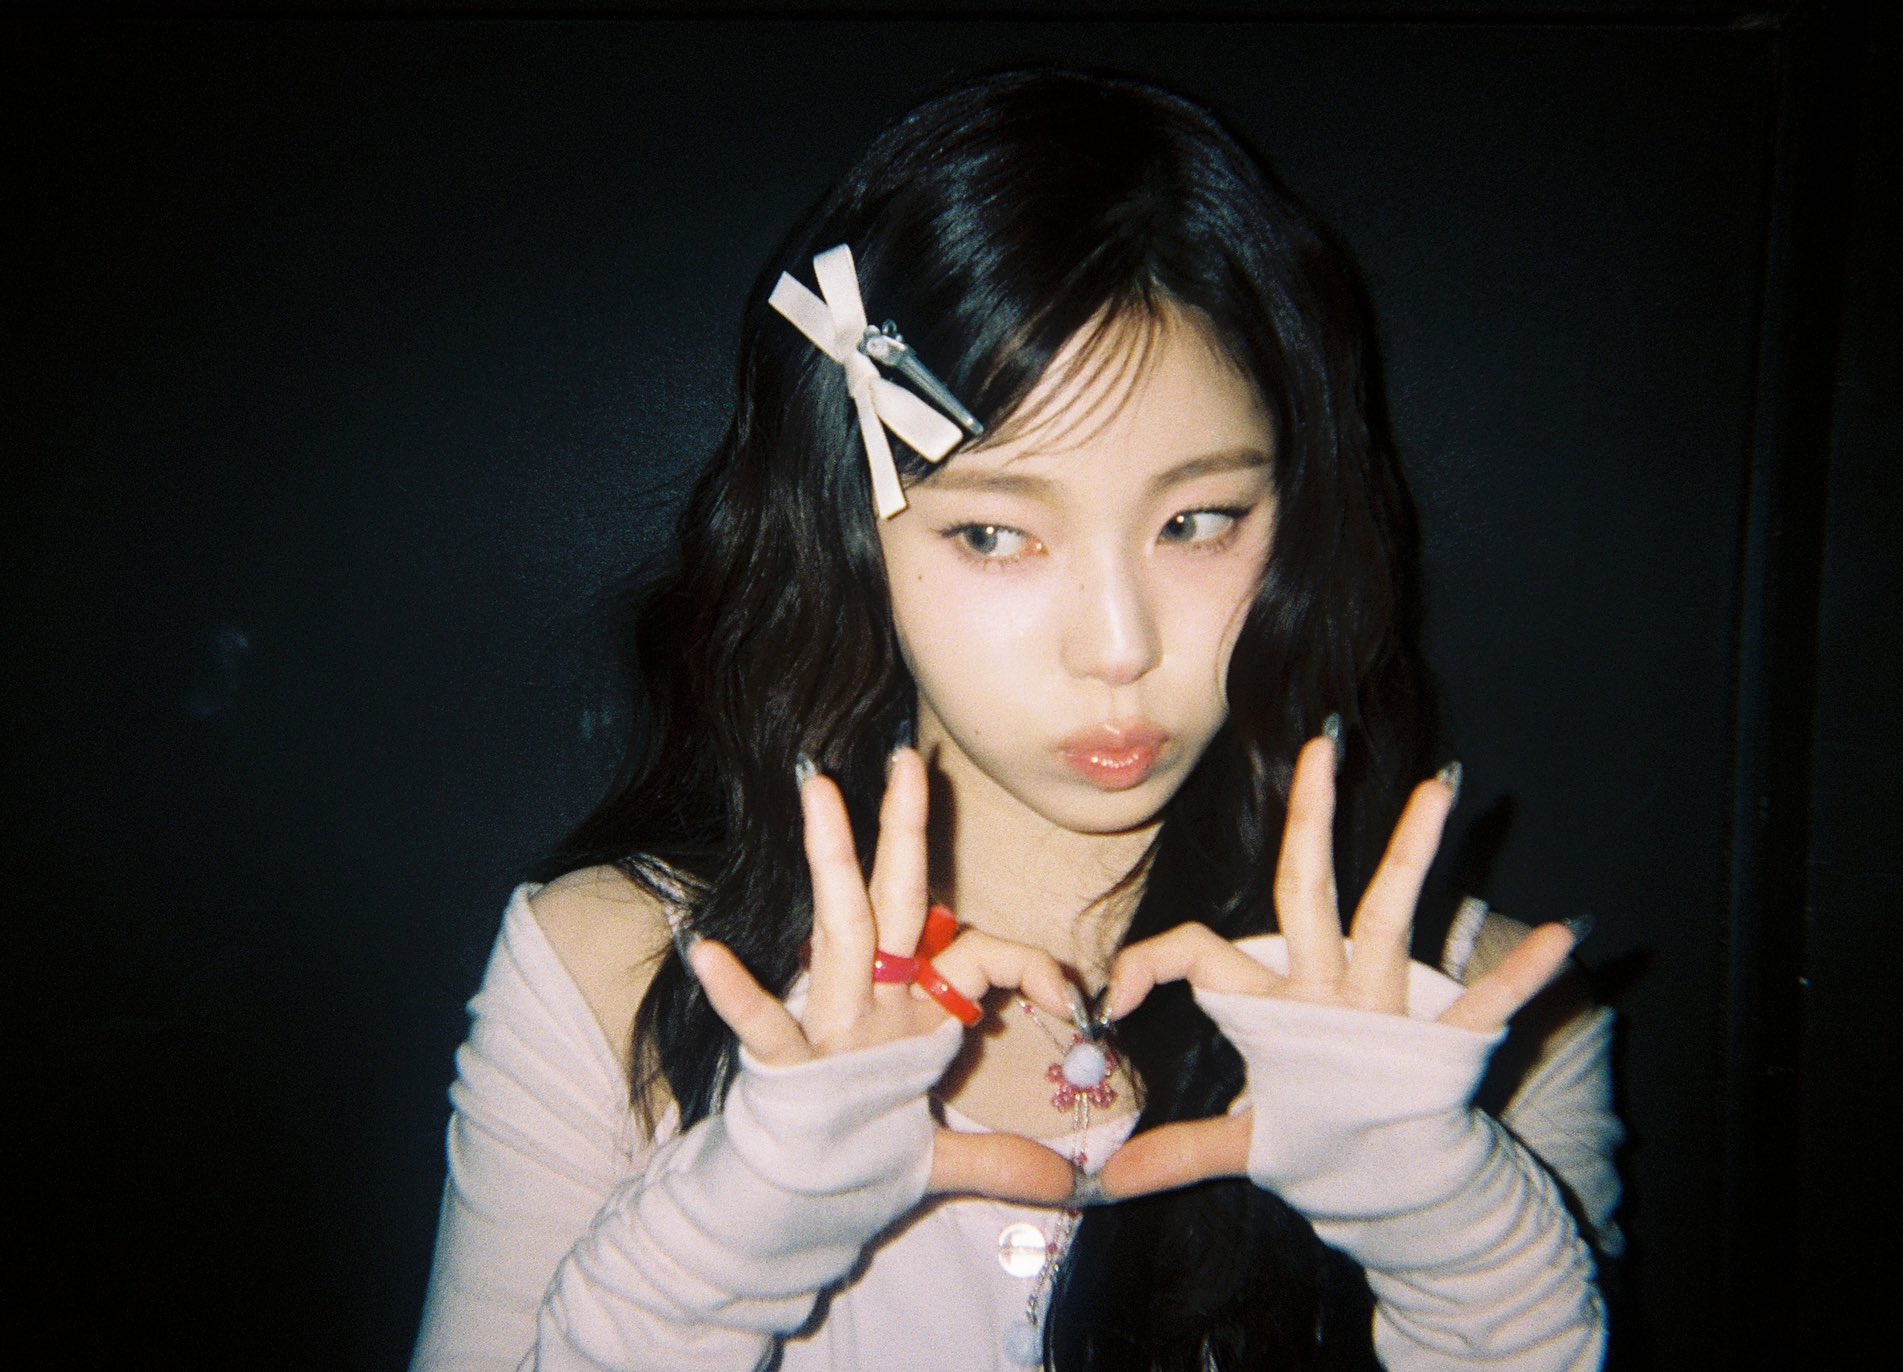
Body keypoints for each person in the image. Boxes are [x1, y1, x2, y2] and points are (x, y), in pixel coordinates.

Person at [410, 67, 1622, 1372]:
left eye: (1197, 522)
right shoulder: (616, 972)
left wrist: (1449, 1228)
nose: (1119, 648)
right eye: (995, 533)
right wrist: (727, 1237)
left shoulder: (1468, 1015)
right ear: (850, 537)